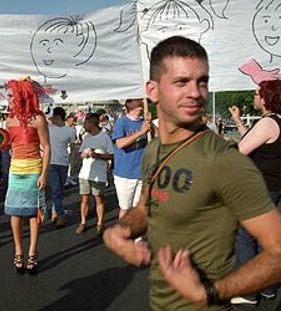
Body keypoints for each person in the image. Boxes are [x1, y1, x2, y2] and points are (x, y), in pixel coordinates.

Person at [103, 36, 281, 310]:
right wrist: (120, 231)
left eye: (202, 82)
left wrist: (209, 293)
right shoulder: (153, 150)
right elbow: (145, 208)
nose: (196, 93)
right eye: (181, 82)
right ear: (152, 90)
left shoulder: (225, 161)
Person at [228, 79, 281, 304]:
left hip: (261, 190)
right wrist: (239, 122)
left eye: (257, 93)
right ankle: (268, 287)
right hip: (275, 188)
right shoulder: (275, 122)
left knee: (245, 235)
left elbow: (240, 151)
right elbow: (260, 141)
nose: (254, 97)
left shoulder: (268, 123)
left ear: (266, 98)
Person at [4, 79, 50, 275]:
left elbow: (47, 147)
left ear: (22, 96)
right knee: (15, 213)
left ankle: (32, 252)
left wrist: (44, 174)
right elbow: (8, 146)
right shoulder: (9, 120)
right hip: (15, 171)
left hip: (33, 171)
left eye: (11, 95)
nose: (8, 98)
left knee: (33, 213)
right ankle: (18, 251)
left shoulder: (39, 119)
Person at [112, 99, 151, 219]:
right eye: (136, 100)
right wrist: (140, 133)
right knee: (126, 208)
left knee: (139, 209)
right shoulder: (121, 122)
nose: (140, 102)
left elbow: (161, 139)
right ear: (128, 104)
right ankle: (123, 235)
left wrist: (150, 123)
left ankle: (137, 237)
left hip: (142, 173)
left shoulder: (146, 122)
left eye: (141, 100)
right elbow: (120, 144)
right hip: (125, 174)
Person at [76, 113, 113, 235]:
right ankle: (83, 222)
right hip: (85, 173)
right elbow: (80, 154)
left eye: (86, 123)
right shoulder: (86, 137)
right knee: (84, 199)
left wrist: (98, 155)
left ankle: (100, 223)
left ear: (93, 124)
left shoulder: (105, 137)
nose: (84, 125)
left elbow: (112, 155)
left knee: (99, 199)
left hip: (99, 173)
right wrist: (85, 154)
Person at [47, 107, 76, 227]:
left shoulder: (69, 131)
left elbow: (73, 148)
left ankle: (55, 210)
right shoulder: (48, 128)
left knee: (60, 190)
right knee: (55, 190)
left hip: (63, 163)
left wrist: (72, 163)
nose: (51, 118)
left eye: (52, 116)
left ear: (58, 117)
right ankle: (60, 215)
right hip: (51, 163)